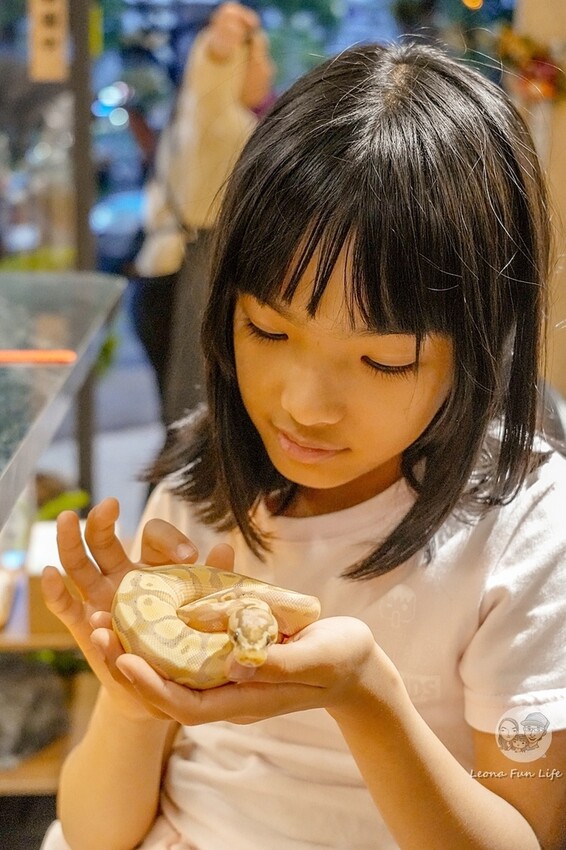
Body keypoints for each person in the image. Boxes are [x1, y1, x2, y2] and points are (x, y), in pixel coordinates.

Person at [40, 40, 566, 850]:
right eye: (267, 328)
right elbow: (96, 831)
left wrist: (366, 697)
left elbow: (526, 836)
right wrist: (136, 697)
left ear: (480, 342)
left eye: (383, 359)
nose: (304, 406)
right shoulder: (202, 483)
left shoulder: (525, 529)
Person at [129, 1, 275, 425]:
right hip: (184, 279)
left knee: (183, 428)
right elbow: (212, 60)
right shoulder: (217, 119)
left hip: (169, 276)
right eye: (260, 57)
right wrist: (224, 35)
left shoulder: (201, 119)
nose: (266, 71)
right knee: (189, 428)